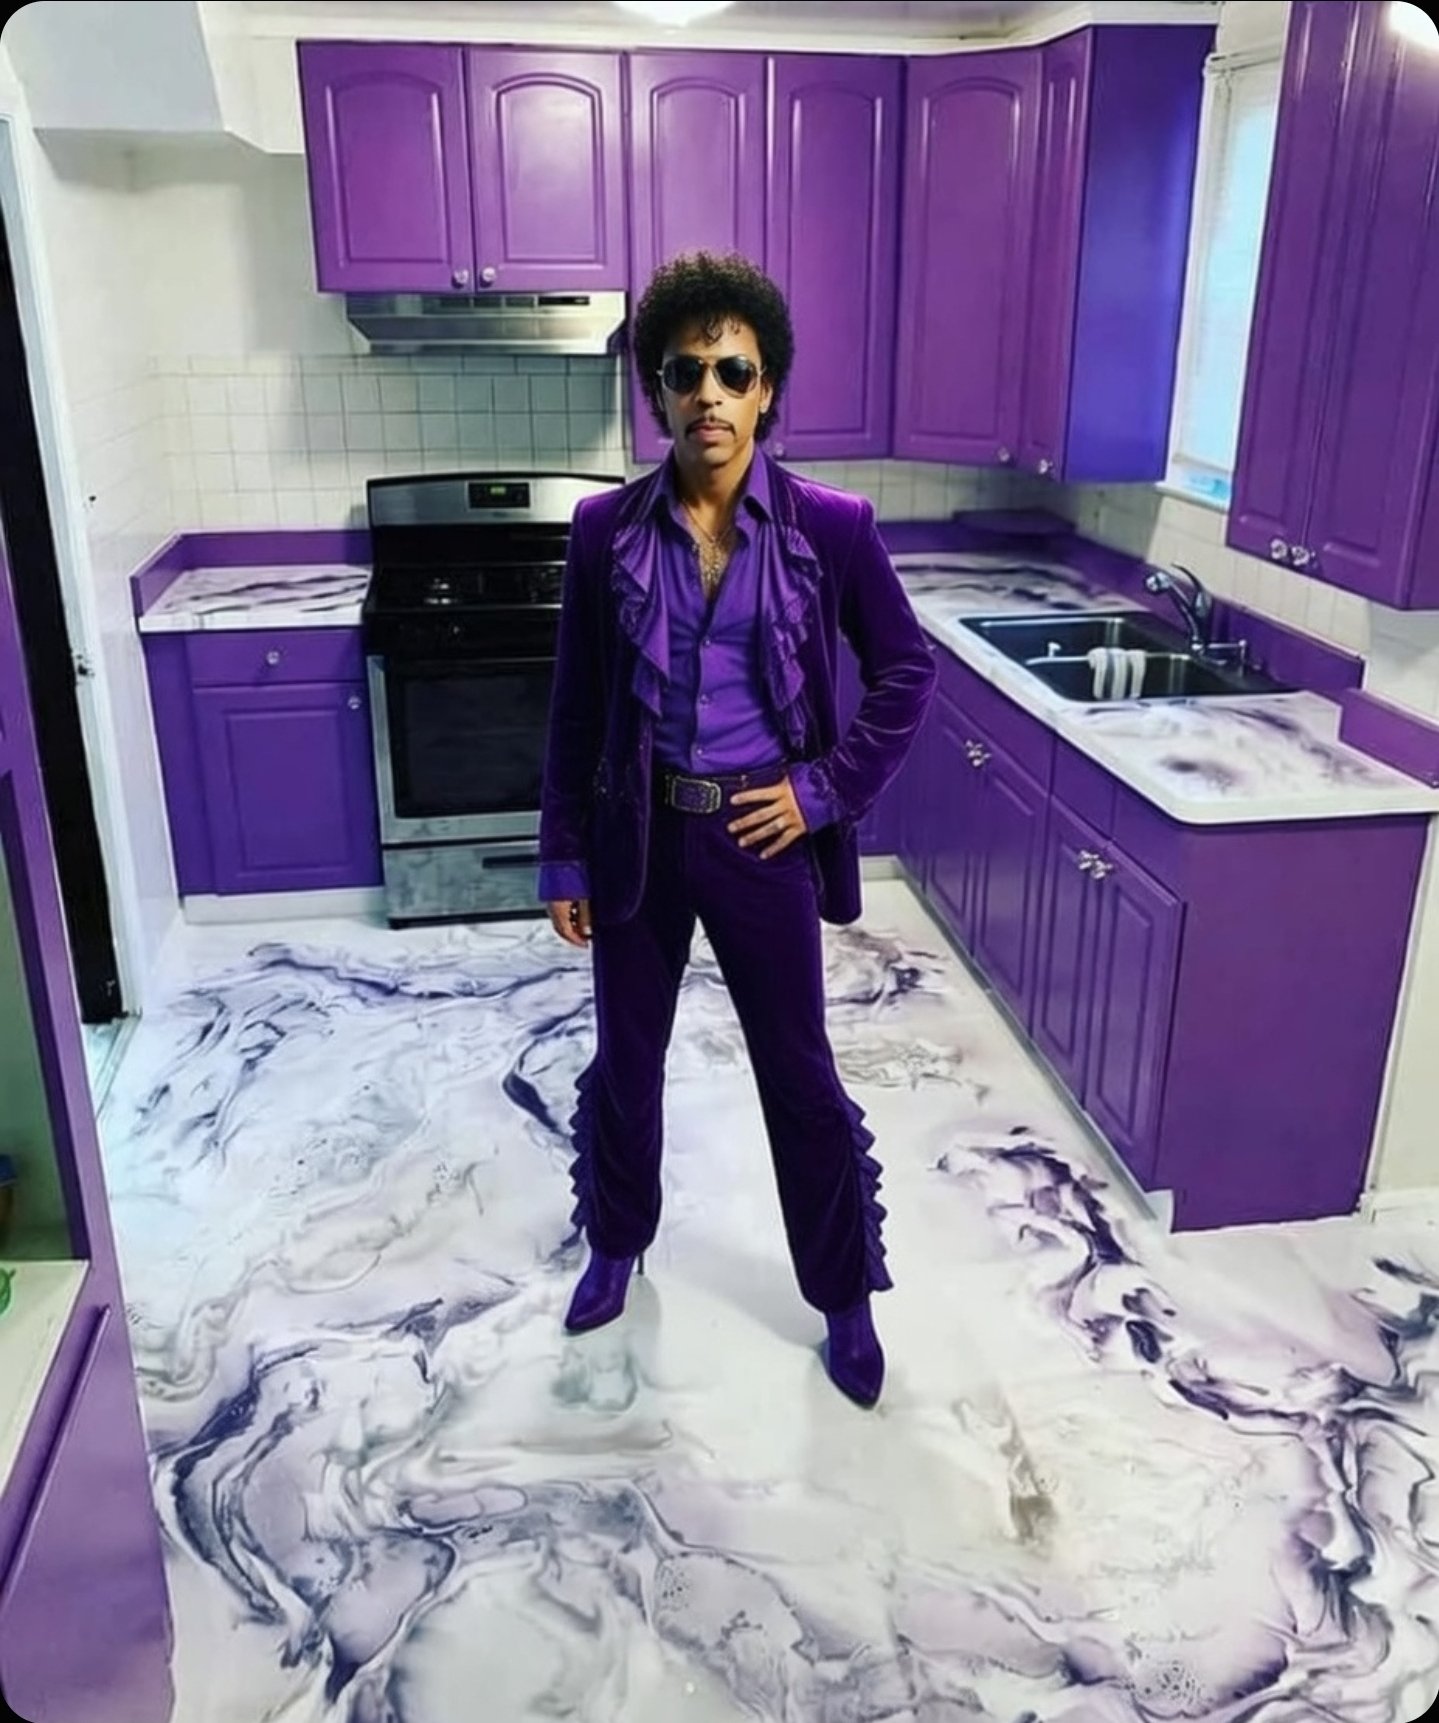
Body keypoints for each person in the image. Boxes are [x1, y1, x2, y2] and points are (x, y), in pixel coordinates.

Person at [537, 251, 936, 1407]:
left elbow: (905, 670)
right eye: (684, 372)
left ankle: (841, 1294)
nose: (707, 393)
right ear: (656, 393)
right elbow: (574, 707)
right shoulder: (603, 530)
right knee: (627, 1063)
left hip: (763, 840)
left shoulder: (832, 527)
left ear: (766, 391)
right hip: (640, 837)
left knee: (797, 1075)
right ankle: (617, 1242)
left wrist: (820, 793)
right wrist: (563, 852)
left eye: (732, 371)